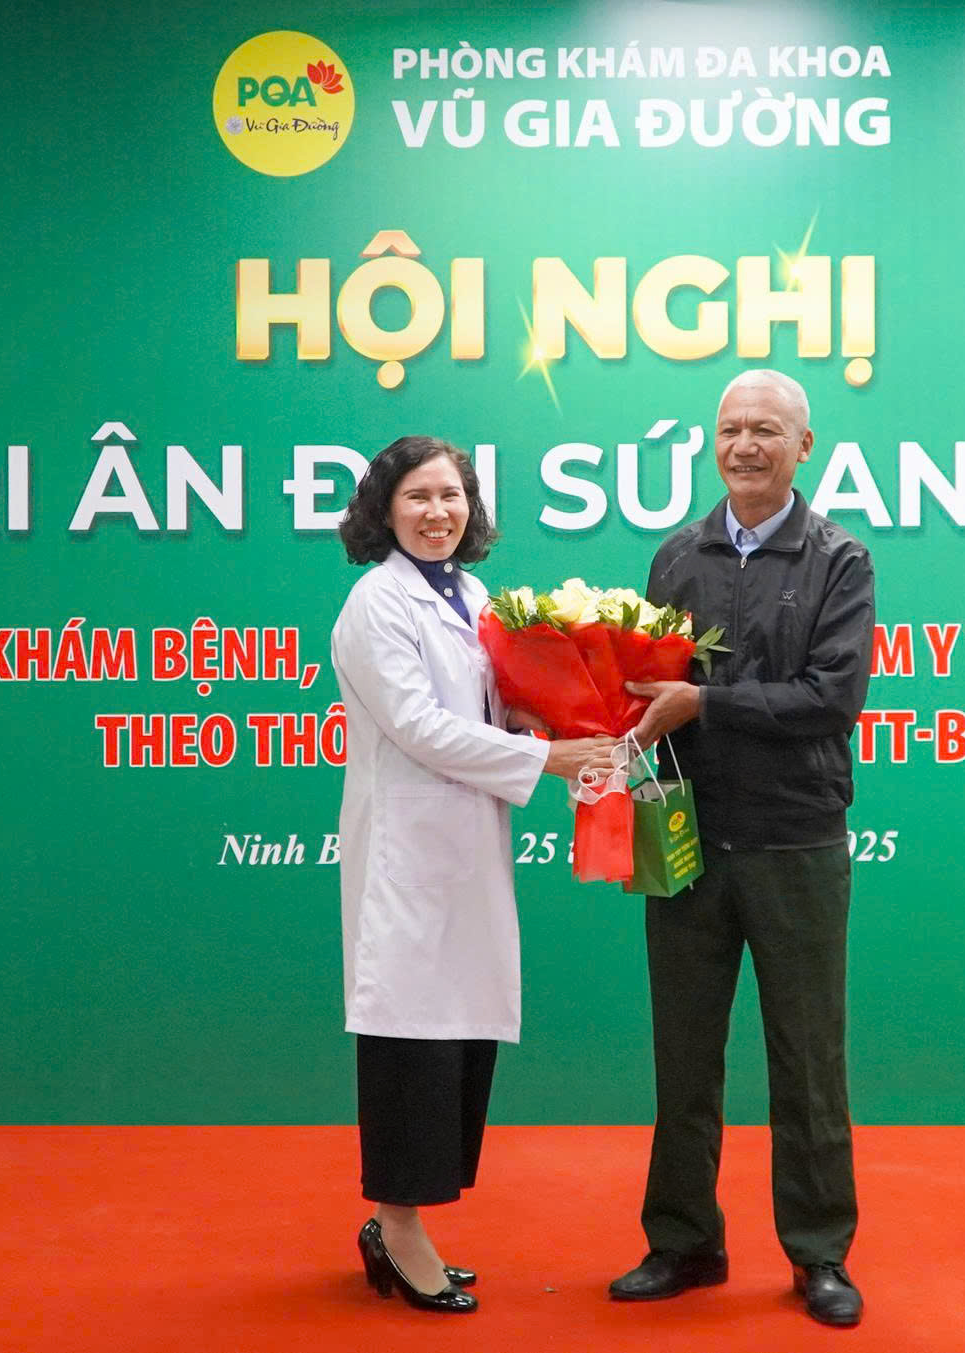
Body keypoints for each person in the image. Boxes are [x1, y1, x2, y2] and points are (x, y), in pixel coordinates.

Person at [328, 434, 617, 1315]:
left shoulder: (472, 594)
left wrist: (535, 716)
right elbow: (418, 725)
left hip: (467, 850)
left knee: (456, 1036)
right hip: (409, 859)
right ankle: (396, 1225)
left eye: (451, 495)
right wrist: (548, 759)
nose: (438, 512)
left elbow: (483, 703)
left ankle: (403, 1222)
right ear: (384, 508)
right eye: (417, 496)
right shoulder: (376, 603)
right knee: (410, 1039)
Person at [613, 370, 876, 1328]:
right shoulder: (676, 556)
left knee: (807, 1060)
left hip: (795, 840)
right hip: (688, 839)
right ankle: (683, 1238)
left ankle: (820, 1251)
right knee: (683, 1054)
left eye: (767, 429)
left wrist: (705, 703)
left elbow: (830, 698)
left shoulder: (840, 560)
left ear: (805, 446)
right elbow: (646, 687)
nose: (746, 445)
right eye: (730, 429)